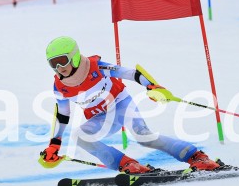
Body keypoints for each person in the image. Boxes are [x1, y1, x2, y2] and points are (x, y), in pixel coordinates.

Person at [38, 36, 222, 174]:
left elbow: (131, 73)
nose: (58, 67)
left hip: (120, 105)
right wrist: (54, 144)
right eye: (53, 63)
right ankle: (127, 164)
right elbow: (63, 115)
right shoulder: (60, 86)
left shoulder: (96, 67)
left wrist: (152, 86)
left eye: (62, 60)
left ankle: (197, 157)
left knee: (144, 136)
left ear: (74, 57)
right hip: (100, 117)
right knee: (81, 136)